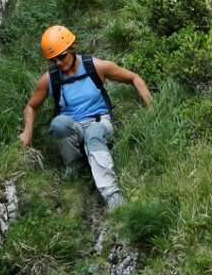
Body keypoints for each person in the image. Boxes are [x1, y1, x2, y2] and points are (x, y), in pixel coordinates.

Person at [19, 25, 153, 210]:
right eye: (53, 60)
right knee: (58, 123)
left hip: (100, 122)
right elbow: (31, 106)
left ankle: (112, 194)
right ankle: (74, 166)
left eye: (62, 56)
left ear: (72, 48)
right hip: (75, 127)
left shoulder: (95, 66)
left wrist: (152, 109)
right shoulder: (50, 79)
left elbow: (134, 78)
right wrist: (28, 132)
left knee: (93, 135)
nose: (59, 62)